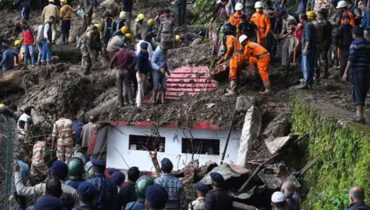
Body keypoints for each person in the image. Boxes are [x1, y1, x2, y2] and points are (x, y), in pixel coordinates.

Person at [342, 27, 370, 123]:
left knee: (357, 90)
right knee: (363, 91)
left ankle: (359, 115)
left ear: (354, 34)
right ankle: (360, 114)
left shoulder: (355, 43)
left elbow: (351, 59)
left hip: (357, 70)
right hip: (366, 70)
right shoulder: (367, 43)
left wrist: (345, 72)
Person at [14, 160, 78, 200]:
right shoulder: (73, 192)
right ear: (66, 176)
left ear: (52, 174)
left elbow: (21, 191)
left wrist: (17, 172)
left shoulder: (42, 187)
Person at [219, 25, 244, 96]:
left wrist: (225, 57)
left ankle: (233, 91)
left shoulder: (229, 37)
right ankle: (234, 89)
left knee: (232, 72)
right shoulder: (233, 37)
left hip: (236, 56)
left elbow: (230, 48)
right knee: (236, 72)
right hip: (240, 55)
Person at [110, 42, 136, 106]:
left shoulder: (117, 54)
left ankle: (121, 103)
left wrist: (111, 67)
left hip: (119, 71)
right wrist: (131, 65)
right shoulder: (128, 52)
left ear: (118, 47)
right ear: (124, 46)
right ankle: (131, 101)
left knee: (119, 88)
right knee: (128, 86)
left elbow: (112, 61)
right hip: (126, 71)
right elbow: (135, 56)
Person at [298, 12, 316, 89]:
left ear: (302, 19)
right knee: (309, 66)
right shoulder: (309, 25)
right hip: (311, 48)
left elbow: (308, 39)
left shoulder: (308, 26)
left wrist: (305, 48)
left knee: (306, 66)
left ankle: (306, 82)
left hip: (308, 49)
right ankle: (309, 83)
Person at [314, 8, 332, 79]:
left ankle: (324, 72)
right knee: (322, 57)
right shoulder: (326, 23)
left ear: (322, 15)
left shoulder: (325, 23)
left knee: (323, 57)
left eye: (319, 14)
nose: (317, 15)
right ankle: (323, 72)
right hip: (323, 42)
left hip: (324, 42)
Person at [334, 13, 353, 78]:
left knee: (349, 61)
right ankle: (341, 74)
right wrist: (337, 45)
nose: (348, 21)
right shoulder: (341, 28)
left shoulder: (351, 27)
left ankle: (347, 74)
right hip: (343, 47)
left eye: (348, 19)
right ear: (343, 20)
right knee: (343, 61)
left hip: (350, 47)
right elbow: (336, 37)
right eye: (346, 19)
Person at [136, 42, 151, 108]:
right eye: (143, 49)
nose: (144, 50)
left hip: (145, 73)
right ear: (141, 48)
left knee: (144, 87)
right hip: (141, 73)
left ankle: (142, 101)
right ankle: (138, 104)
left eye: (145, 49)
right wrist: (139, 77)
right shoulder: (139, 56)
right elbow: (138, 68)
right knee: (140, 88)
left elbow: (147, 63)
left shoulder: (146, 54)